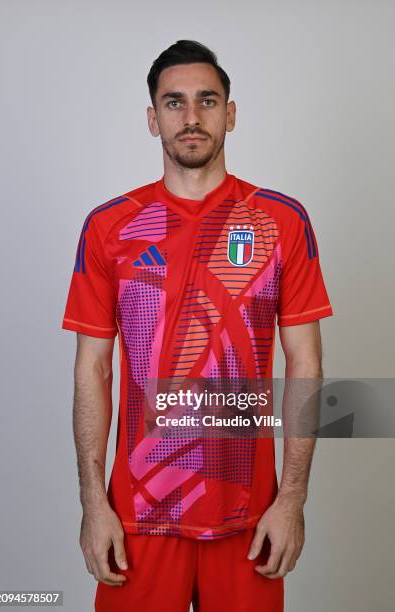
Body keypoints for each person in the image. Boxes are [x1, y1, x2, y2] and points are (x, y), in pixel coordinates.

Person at [61, 39, 333, 612]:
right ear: (153, 117)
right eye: (174, 102)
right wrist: (94, 503)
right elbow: (93, 368)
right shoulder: (110, 228)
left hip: (250, 517)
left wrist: (291, 501)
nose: (191, 117)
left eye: (207, 101)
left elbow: (306, 363)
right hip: (138, 515)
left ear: (230, 114)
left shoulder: (280, 221)